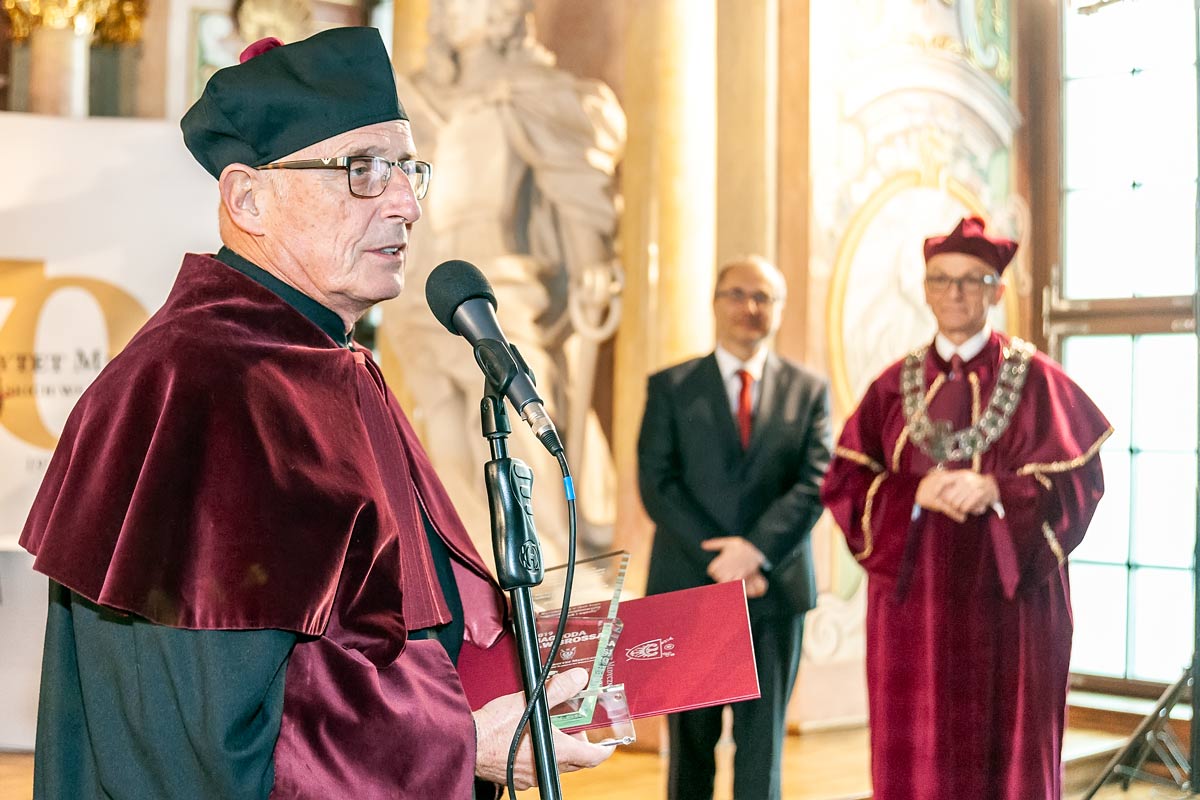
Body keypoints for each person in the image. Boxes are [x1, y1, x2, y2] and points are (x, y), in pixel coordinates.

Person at [19, 27, 611, 799]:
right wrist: (459, 741)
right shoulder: (194, 384)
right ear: (248, 197)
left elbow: (378, 633)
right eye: (362, 170)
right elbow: (214, 735)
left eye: (407, 168)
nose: (405, 203)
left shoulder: (327, 357)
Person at [820, 216, 1111, 800]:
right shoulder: (888, 387)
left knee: (1010, 758)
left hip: (1013, 610)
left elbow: (1081, 485)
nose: (955, 293)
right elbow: (846, 483)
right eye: (941, 280)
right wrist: (912, 493)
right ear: (925, 289)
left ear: (996, 291)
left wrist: (1000, 491)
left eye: (972, 280)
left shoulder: (1040, 382)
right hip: (914, 613)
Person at [382, 0, 626, 567]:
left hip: (496, 277)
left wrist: (590, 257)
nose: (455, 10)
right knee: (438, 425)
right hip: (421, 279)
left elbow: (578, 173)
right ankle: (473, 561)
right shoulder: (411, 98)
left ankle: (549, 557)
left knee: (516, 417)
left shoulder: (530, 91)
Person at [637, 255, 833, 800]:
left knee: (762, 750)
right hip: (691, 590)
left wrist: (756, 553)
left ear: (779, 309)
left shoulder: (808, 390)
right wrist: (722, 562)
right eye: (738, 294)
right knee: (690, 753)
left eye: (763, 297)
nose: (750, 307)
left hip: (773, 594)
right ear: (716, 302)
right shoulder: (670, 387)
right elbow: (658, 484)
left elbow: (816, 482)